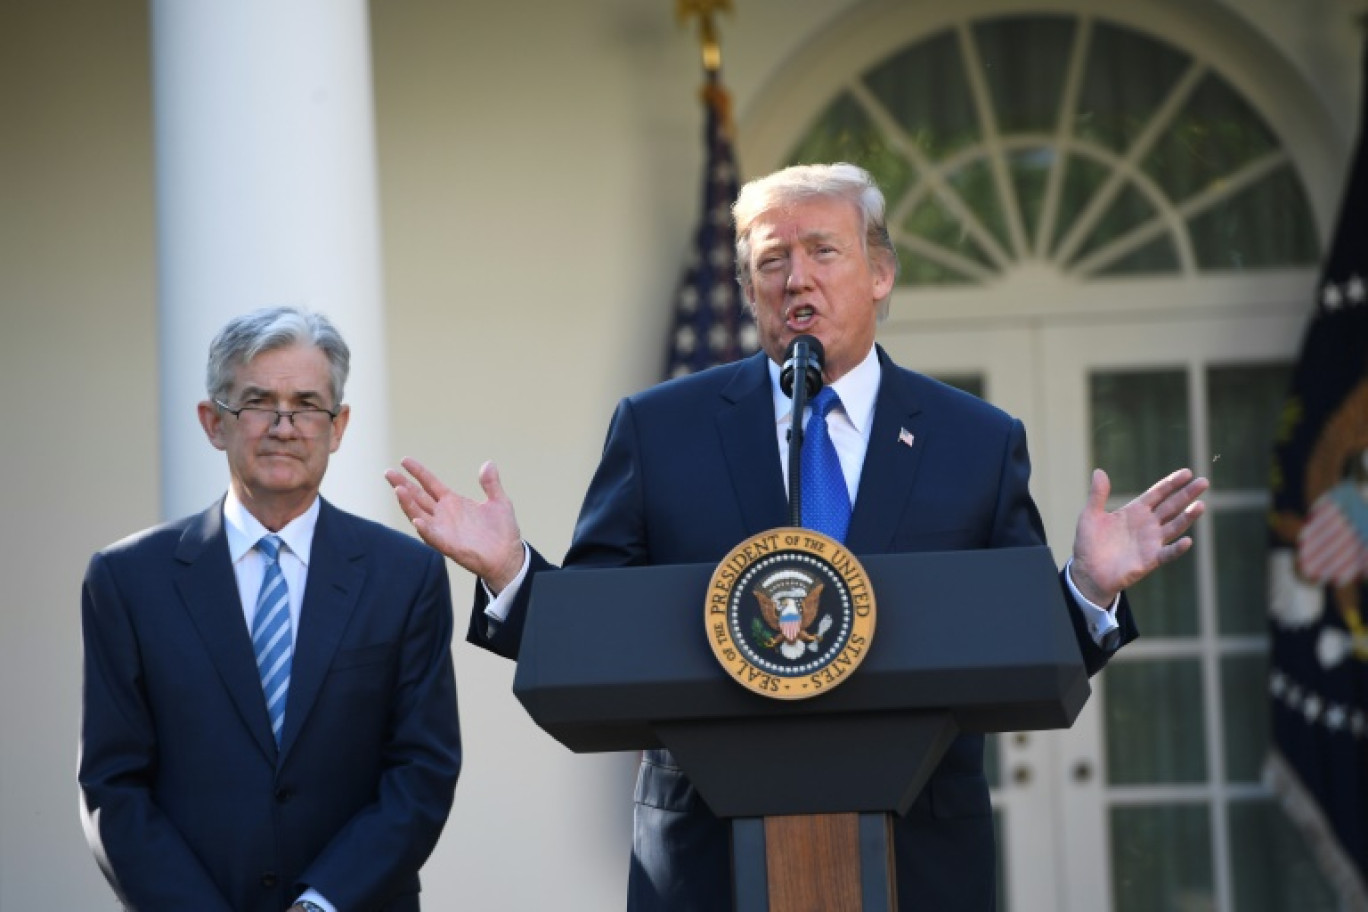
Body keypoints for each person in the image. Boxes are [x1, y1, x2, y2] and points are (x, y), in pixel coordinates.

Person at [386, 163, 1208, 911]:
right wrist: (512, 573)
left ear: (881, 273)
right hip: (705, 860)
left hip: (918, 858)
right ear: (747, 290)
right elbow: (601, 638)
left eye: (823, 252)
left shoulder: (974, 439)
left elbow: (1025, 645)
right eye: (771, 261)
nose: (796, 280)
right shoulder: (661, 430)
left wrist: (1089, 588)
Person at [80, 306, 462, 912]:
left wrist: (321, 904)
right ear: (214, 422)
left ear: (338, 426)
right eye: (258, 402)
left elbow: (422, 770)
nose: (285, 426)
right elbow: (113, 784)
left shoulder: (405, 575)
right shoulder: (126, 580)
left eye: (308, 405)